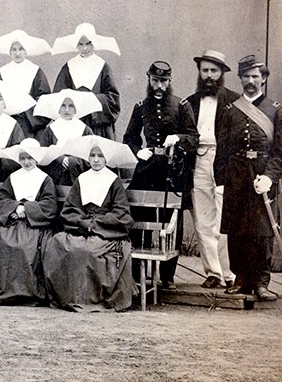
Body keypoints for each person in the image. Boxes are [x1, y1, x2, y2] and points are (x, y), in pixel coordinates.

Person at [122, 61, 198, 290]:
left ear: (170, 81)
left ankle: (168, 277)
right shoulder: (140, 106)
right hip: (147, 170)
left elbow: (194, 138)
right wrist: (138, 151)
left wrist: (178, 138)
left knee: (171, 221)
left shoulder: (181, 106)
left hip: (172, 170)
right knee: (140, 219)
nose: (159, 85)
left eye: (163, 81)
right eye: (155, 80)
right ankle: (138, 275)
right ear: (149, 80)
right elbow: (129, 137)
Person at [42, 137, 135, 312]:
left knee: (89, 251)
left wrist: (96, 224)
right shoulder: (81, 179)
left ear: (106, 158)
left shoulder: (113, 181)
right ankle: (68, 297)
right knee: (58, 243)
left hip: (106, 231)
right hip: (82, 227)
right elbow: (70, 208)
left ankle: (90, 299)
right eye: (92, 155)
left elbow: (121, 213)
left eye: (100, 155)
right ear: (88, 158)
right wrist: (84, 223)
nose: (96, 159)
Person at [216, 55, 281, 301]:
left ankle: (261, 282)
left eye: (256, 76)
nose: (251, 81)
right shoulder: (230, 110)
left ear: (263, 79)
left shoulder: (275, 110)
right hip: (236, 176)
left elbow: (280, 151)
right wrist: (220, 181)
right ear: (240, 79)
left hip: (263, 174)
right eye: (247, 76)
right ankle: (241, 278)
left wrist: (270, 177)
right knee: (237, 228)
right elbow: (222, 148)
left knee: (262, 230)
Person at [184, 50, 240, 289]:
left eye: (214, 71)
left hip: (223, 161)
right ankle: (213, 272)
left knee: (223, 219)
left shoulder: (235, 101)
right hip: (198, 160)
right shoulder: (190, 102)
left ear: (222, 74)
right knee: (203, 220)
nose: (209, 76)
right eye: (205, 70)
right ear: (199, 72)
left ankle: (230, 274)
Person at [0, 139, 59, 305]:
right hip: (12, 221)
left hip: (33, 225)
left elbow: (49, 205)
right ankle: (3, 290)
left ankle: (26, 293)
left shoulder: (45, 179)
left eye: (30, 158)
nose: (26, 162)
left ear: (36, 158)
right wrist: (15, 208)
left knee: (24, 246)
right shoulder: (13, 178)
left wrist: (27, 210)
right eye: (23, 158)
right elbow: (0, 201)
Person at [51, 23, 121, 140]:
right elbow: (58, 97)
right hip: (75, 125)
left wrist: (92, 100)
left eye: (88, 44)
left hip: (98, 125)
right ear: (76, 45)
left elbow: (113, 99)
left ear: (94, 43)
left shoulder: (103, 66)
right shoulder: (68, 67)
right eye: (81, 44)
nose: (85, 48)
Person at [0, 29, 53, 137]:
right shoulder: (3, 71)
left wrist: (26, 109)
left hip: (28, 122)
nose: (17, 53)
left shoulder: (35, 70)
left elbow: (44, 98)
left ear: (26, 50)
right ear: (9, 52)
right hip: (8, 120)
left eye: (21, 49)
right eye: (14, 49)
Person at [33, 89, 101, 187]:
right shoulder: (50, 130)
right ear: (58, 108)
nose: (67, 110)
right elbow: (42, 155)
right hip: (56, 178)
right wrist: (59, 159)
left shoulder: (85, 130)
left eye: (71, 106)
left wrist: (72, 162)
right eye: (63, 105)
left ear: (76, 108)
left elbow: (92, 155)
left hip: (80, 177)